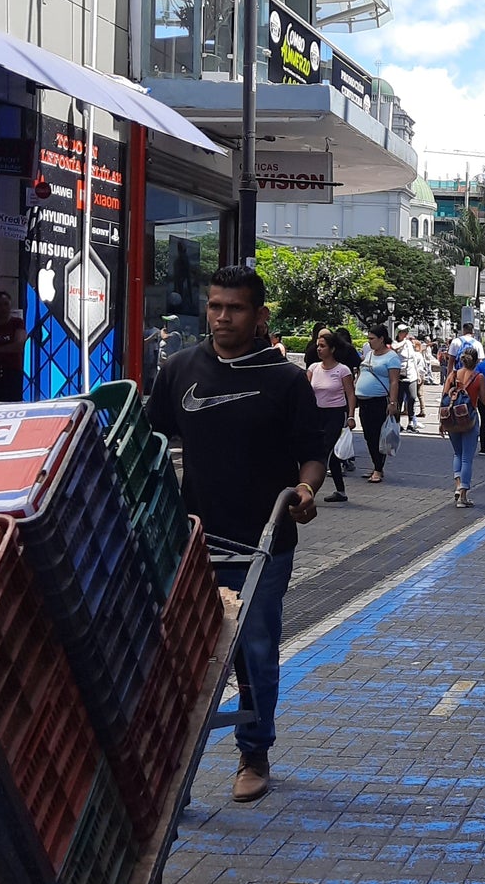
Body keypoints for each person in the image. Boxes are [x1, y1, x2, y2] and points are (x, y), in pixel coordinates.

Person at [146, 266, 325, 803]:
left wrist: (306, 491)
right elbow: (152, 441)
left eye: (236, 308)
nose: (222, 317)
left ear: (260, 315)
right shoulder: (180, 369)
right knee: (179, 652)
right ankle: (171, 764)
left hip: (263, 542)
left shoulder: (286, 380)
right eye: (216, 306)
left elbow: (312, 455)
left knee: (254, 649)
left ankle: (254, 751)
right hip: (193, 537)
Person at [307, 327, 357, 504]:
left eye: (323, 346)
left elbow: (350, 394)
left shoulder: (342, 370)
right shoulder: (313, 368)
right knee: (329, 455)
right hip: (316, 414)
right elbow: (305, 392)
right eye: (318, 346)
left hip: (335, 413)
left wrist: (351, 416)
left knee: (326, 451)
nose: (319, 349)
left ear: (332, 349)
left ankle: (309, 490)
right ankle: (340, 491)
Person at [355, 325, 401, 483]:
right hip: (364, 401)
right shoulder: (369, 355)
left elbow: (394, 381)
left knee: (377, 436)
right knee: (368, 436)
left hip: (379, 401)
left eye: (372, 339)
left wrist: (393, 402)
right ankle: (375, 465)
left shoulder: (391, 357)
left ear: (381, 339)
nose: (369, 342)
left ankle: (378, 469)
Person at [443, 345, 485, 506]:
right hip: (469, 419)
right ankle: (463, 496)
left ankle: (457, 486)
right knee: (467, 458)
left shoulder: (452, 375)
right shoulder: (478, 377)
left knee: (457, 454)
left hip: (452, 419)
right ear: (476, 361)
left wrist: (442, 423)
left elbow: (444, 398)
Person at [394, 325, 422, 432]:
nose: (405, 334)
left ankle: (410, 422)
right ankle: (397, 423)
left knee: (412, 398)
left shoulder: (409, 343)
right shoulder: (396, 343)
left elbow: (413, 359)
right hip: (399, 376)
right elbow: (395, 348)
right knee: (399, 401)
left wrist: (418, 374)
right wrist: (403, 342)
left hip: (411, 375)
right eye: (403, 332)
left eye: (406, 332)